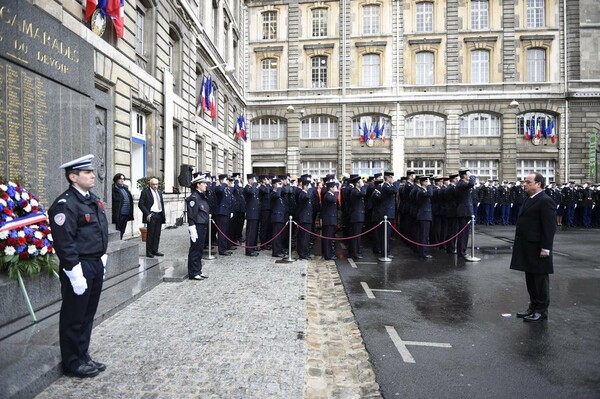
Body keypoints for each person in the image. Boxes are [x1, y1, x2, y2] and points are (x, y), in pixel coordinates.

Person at [49, 154, 109, 378]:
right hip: (79, 266)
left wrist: (102, 256)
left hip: (94, 263)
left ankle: (83, 355)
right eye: (87, 172)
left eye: (91, 172)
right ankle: (72, 362)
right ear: (73, 177)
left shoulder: (91, 199)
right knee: (74, 315)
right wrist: (74, 271)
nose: (93, 175)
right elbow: (65, 241)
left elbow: (99, 229)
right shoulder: (65, 204)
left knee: (87, 313)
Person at [510, 172, 557, 322]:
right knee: (531, 279)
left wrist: (546, 248)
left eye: (528, 182)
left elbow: (549, 227)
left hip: (538, 248)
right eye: (525, 182)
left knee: (540, 281)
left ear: (538, 184)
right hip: (527, 247)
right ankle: (533, 307)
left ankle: (541, 310)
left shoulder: (545, 201)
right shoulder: (529, 199)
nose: (525, 184)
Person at [186, 174, 210, 280]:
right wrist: (192, 228)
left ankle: (198, 270)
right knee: (195, 249)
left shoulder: (201, 196)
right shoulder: (194, 197)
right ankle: (193, 272)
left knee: (200, 249)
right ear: (198, 185)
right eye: (203, 183)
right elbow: (191, 214)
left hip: (203, 225)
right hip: (197, 226)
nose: (205, 185)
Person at [138, 178, 165, 258]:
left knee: (157, 234)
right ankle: (149, 252)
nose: (155, 186)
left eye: (156, 184)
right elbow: (141, 204)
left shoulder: (159, 192)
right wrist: (147, 214)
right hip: (151, 215)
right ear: (150, 184)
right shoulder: (145, 192)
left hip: (159, 215)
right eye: (153, 184)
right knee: (150, 234)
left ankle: (155, 250)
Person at [111, 173, 134, 239]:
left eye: (123, 179)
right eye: (120, 179)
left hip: (126, 214)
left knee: (122, 230)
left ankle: (120, 241)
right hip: (119, 214)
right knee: (118, 231)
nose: (122, 180)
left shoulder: (125, 188)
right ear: (116, 180)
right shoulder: (113, 189)